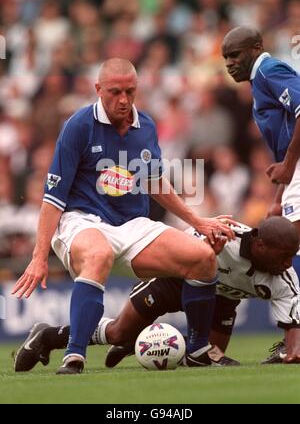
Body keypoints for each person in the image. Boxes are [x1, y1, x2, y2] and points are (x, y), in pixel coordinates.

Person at [12, 58, 235, 375]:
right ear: (98, 89)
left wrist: (198, 222)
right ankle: (74, 356)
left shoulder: (145, 126)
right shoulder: (78, 126)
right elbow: (53, 197)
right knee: (99, 253)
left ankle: (198, 349)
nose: (123, 100)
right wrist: (39, 256)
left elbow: (155, 182)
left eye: (130, 91)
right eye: (115, 92)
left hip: (132, 226)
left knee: (202, 258)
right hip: (82, 221)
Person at [14, 216, 300, 372]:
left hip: (221, 301)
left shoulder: (284, 280)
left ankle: (143, 343)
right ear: (260, 245)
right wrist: (203, 249)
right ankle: (50, 336)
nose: (288, 263)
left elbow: (293, 331)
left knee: (204, 360)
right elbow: (183, 244)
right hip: (172, 281)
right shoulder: (225, 235)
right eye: (284, 255)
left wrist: (291, 352)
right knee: (117, 333)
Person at [222, 26, 300, 276]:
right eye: (226, 58)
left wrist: (288, 165)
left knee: (288, 243)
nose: (229, 63)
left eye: (235, 55)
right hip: (295, 169)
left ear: (256, 49)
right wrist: (278, 197)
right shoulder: (259, 81)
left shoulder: (268, 70)